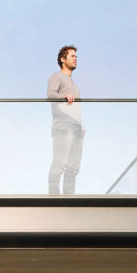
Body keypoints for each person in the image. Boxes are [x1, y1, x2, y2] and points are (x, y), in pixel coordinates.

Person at [47, 45, 84, 194]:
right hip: (63, 126)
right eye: (72, 56)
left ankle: (69, 201)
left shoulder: (74, 85)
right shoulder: (57, 76)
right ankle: (53, 199)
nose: (75, 58)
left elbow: (76, 108)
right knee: (59, 164)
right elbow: (50, 95)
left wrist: (81, 125)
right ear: (63, 59)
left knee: (73, 168)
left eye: (76, 56)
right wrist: (64, 97)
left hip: (77, 128)